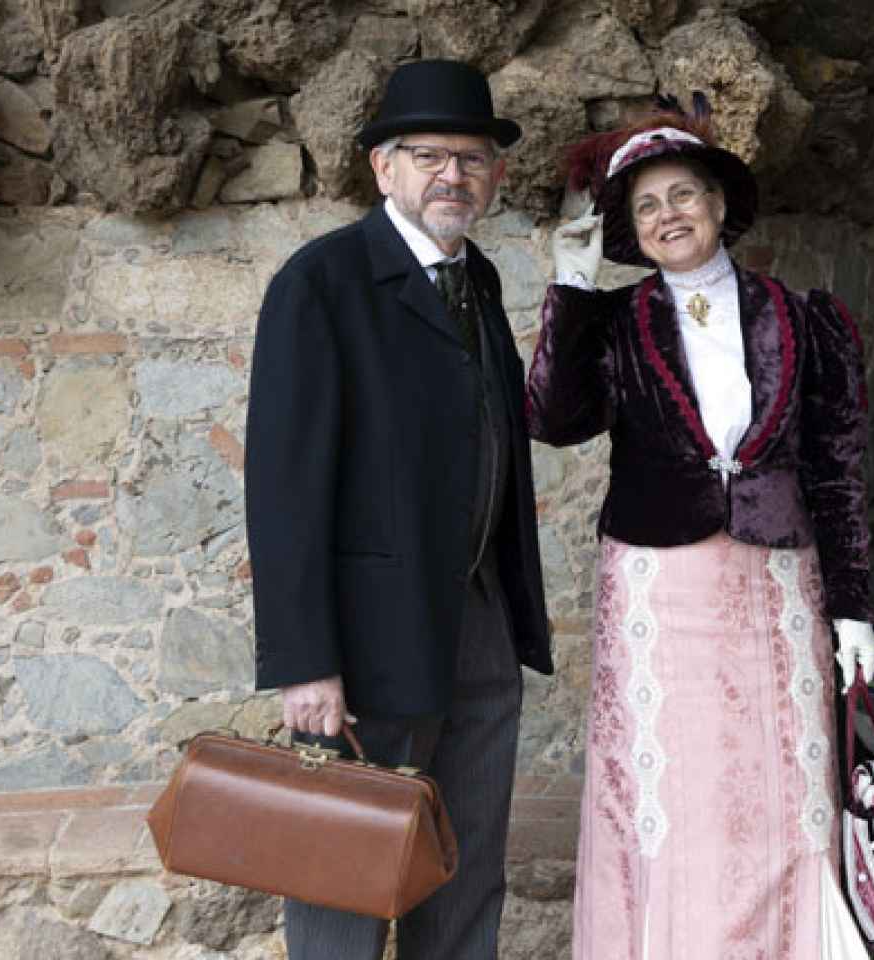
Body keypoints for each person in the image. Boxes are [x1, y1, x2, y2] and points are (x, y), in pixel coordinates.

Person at [525, 100, 874, 958]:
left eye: (683, 195)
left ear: (721, 206)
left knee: (778, 779)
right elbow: (552, 418)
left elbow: (837, 470)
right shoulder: (613, 324)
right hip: (661, 584)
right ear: (631, 231)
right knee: (676, 789)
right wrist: (570, 291)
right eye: (646, 207)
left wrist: (853, 610)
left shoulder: (803, 318)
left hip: (775, 585)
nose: (667, 216)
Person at [244, 59, 553, 960]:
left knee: (462, 869)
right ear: (383, 167)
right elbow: (285, 487)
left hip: (482, 624)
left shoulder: (482, 281)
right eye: (429, 155)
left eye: (472, 157)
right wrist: (306, 663)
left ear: (493, 177)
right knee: (343, 877)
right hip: (368, 643)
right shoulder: (323, 282)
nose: (453, 174)